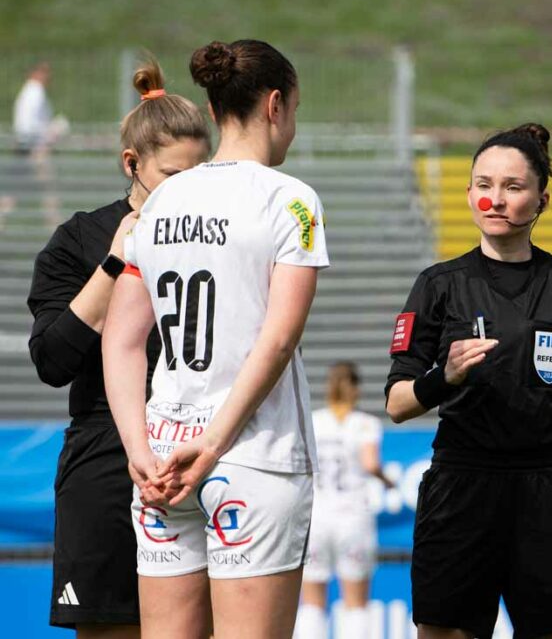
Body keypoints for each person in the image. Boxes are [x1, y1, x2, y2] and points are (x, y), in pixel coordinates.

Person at [102, 39, 328, 639]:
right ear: (275, 104)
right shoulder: (292, 201)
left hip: (160, 463)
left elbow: (121, 340)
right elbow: (278, 340)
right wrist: (213, 445)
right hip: (251, 459)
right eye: (296, 110)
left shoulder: (163, 199)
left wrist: (137, 450)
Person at [385, 123, 552, 639]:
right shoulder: (437, 285)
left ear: (541, 199)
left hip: (550, 490)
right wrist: (442, 378)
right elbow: (397, 403)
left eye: (513, 188)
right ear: (469, 192)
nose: (495, 200)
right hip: (459, 488)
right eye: (483, 185)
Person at [27, 57, 210, 637]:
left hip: (198, 450)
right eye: (172, 176)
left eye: (200, 176)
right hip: (106, 457)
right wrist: (115, 260)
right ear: (132, 164)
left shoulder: (217, 235)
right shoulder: (77, 239)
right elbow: (52, 361)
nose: (188, 193)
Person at [294, 361, 395, 639]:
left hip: (316, 518)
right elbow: (371, 463)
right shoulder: (365, 424)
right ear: (356, 389)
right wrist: (390, 483)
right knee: (355, 603)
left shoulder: (314, 421)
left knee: (312, 603)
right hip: (352, 517)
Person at [13, 61, 67, 155]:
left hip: (29, 138)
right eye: (44, 72)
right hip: (32, 140)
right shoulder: (35, 90)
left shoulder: (32, 89)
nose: (48, 76)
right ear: (35, 73)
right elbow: (29, 119)